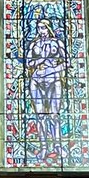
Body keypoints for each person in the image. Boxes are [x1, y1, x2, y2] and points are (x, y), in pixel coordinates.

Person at [26, 19, 67, 148]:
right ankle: (43, 147)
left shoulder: (57, 43)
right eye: (38, 28)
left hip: (53, 80)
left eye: (43, 28)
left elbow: (67, 62)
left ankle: (57, 146)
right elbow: (28, 63)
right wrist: (40, 61)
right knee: (40, 115)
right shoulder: (34, 44)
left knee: (55, 115)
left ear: (48, 28)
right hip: (37, 80)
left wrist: (56, 68)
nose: (40, 31)